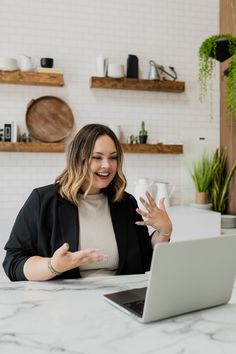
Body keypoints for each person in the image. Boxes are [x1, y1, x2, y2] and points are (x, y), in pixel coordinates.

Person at [2, 124, 172, 281]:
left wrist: (163, 232)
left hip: (119, 299)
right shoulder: (43, 200)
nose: (107, 165)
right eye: (97, 157)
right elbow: (13, 262)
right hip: (62, 304)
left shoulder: (125, 202)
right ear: (78, 159)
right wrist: (53, 266)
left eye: (113, 158)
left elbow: (144, 261)